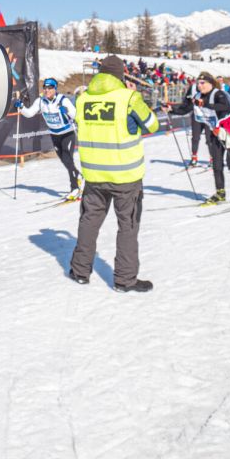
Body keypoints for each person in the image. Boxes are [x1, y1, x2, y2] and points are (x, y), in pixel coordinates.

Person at [68, 55, 160, 291]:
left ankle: (80, 271)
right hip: (125, 175)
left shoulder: (83, 99)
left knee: (89, 221)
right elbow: (152, 124)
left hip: (94, 174)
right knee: (127, 225)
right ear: (120, 75)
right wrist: (135, 97)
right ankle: (124, 280)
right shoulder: (128, 98)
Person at [168, 72, 230, 205]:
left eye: (202, 83)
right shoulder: (198, 96)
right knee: (216, 164)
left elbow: (225, 106)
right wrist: (170, 109)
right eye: (198, 83)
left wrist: (204, 104)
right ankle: (220, 193)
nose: (199, 85)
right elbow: (185, 109)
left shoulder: (218, 94)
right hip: (216, 132)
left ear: (210, 83)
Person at [16, 77, 80, 199]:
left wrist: (66, 110)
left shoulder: (63, 100)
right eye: (45, 88)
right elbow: (29, 113)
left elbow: (75, 115)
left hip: (67, 134)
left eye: (50, 88)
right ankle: (77, 175)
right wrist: (22, 107)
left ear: (55, 89)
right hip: (54, 135)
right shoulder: (40, 101)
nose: (47, 90)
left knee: (68, 159)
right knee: (64, 160)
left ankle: (75, 188)